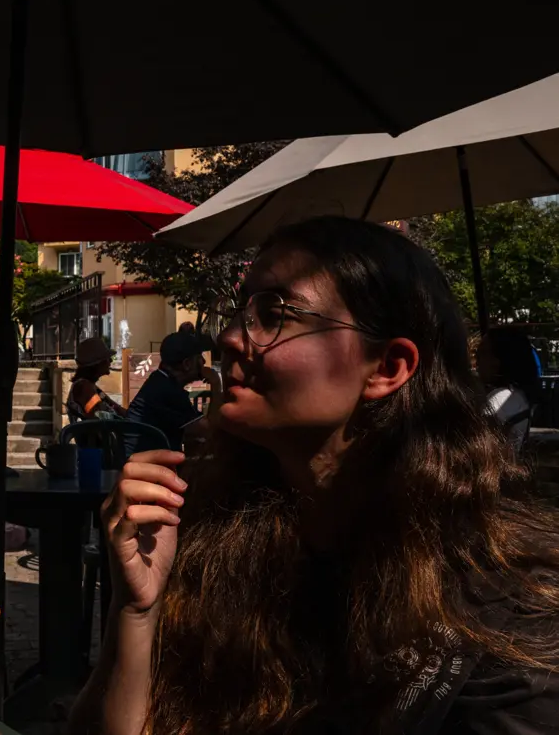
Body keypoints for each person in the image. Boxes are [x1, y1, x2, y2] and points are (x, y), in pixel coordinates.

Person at [69, 217, 559, 735]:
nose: (231, 337)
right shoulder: (212, 533)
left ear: (388, 367)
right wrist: (137, 612)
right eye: (242, 311)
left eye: (274, 314)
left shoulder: (507, 605)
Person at [126, 330, 222, 453]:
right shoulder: (169, 391)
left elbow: (189, 432)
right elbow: (208, 430)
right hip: (143, 464)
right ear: (187, 364)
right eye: (199, 357)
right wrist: (216, 383)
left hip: (138, 458)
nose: (203, 362)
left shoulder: (160, 380)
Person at [477, 325, 543, 454]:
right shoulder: (517, 395)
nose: (477, 361)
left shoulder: (498, 401)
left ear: (499, 361)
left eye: (483, 353)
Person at [66, 336, 127, 421]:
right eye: (106, 358)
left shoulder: (92, 388)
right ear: (96, 364)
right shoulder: (84, 387)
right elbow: (98, 417)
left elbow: (117, 408)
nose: (110, 360)